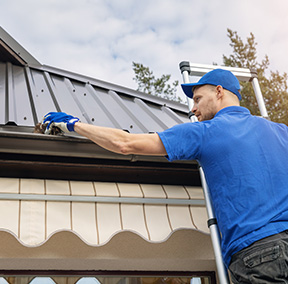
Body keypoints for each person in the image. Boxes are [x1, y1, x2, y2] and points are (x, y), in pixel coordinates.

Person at [42, 69, 288, 283]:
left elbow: (125, 143)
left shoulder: (207, 132)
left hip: (258, 252)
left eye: (198, 99)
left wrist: (73, 125)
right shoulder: (282, 132)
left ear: (219, 92)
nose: (193, 108)